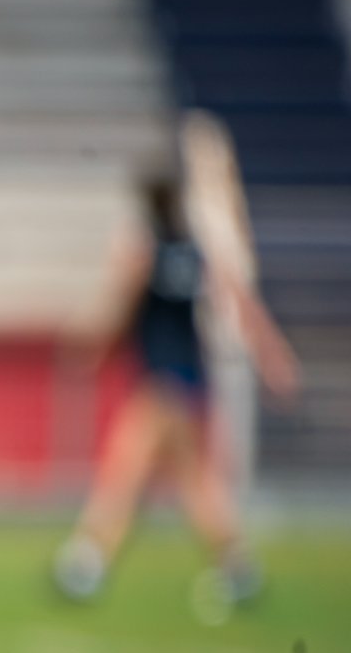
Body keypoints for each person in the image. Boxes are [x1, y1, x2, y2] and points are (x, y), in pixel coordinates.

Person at [52, 168, 302, 613]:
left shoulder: (142, 254)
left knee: (126, 474)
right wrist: (274, 357)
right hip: (190, 381)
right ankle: (237, 569)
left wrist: (90, 348)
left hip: (158, 383)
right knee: (193, 482)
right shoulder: (196, 252)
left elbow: (119, 310)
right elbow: (242, 303)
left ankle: (86, 566)